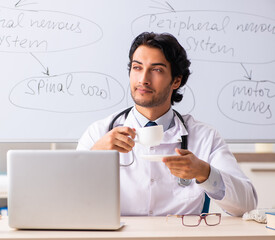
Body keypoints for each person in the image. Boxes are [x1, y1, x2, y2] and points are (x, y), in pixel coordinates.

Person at [77, 32, 257, 217]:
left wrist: (205, 172)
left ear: (176, 81)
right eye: (137, 67)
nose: (143, 79)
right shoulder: (99, 133)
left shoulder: (205, 137)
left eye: (156, 70)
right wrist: (93, 158)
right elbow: (68, 200)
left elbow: (247, 205)